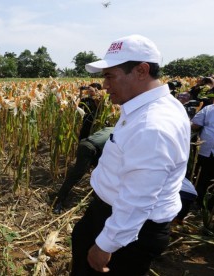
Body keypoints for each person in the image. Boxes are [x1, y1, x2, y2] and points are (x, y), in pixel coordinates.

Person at [71, 34, 191, 275]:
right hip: (112, 217)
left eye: (109, 76)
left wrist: (106, 244)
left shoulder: (153, 125)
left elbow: (139, 199)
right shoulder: (145, 107)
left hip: (129, 231)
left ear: (141, 70)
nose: (104, 86)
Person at [52, 127, 114, 214]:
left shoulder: (109, 128)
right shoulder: (119, 133)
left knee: (99, 172)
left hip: (85, 144)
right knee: (76, 176)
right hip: (90, 149)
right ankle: (58, 202)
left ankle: (96, 197)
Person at [191, 95, 214, 210]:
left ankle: (199, 203)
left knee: (203, 177)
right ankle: (208, 206)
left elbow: (195, 125)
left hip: (207, 151)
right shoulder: (209, 109)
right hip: (208, 151)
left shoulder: (209, 109)